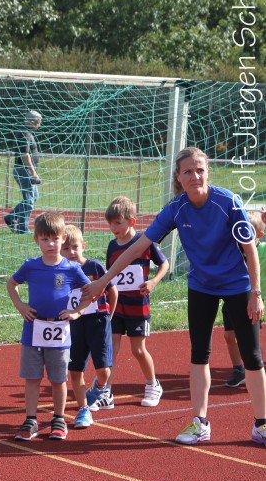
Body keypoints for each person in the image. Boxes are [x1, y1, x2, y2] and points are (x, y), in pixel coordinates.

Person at [85, 147, 266, 447]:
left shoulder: (228, 202)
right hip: (202, 287)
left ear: (207, 172)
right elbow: (137, 246)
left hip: (238, 285)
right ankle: (200, 422)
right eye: (188, 172)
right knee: (199, 354)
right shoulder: (176, 208)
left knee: (253, 357)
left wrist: (256, 293)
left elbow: (250, 250)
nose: (195, 176)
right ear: (178, 177)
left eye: (200, 170)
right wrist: (104, 281)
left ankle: (261, 424)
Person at [7, 210, 90, 440]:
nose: (50, 244)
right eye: (45, 239)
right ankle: (30, 420)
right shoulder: (30, 266)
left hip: (59, 331)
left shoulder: (72, 268)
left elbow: (90, 292)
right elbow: (11, 284)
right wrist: (21, 306)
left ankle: (58, 418)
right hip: (33, 329)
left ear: (63, 238)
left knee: (58, 378)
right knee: (32, 377)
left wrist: (77, 312)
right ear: (37, 240)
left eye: (55, 238)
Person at [88, 196, 168, 410]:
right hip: (117, 305)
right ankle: (106, 392)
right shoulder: (112, 246)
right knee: (111, 348)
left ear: (131, 221)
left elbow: (164, 264)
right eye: (110, 223)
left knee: (138, 350)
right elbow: (109, 275)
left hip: (138, 306)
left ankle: (153, 384)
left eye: (118, 223)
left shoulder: (145, 241)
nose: (113, 228)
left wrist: (153, 281)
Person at [60, 224, 118, 428]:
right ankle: (83, 409)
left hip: (98, 322)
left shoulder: (94, 267)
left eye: (75, 247)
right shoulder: (60, 272)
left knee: (104, 371)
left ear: (83, 246)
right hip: (74, 325)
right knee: (75, 370)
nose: (71, 252)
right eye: (66, 249)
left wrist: (108, 316)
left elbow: (113, 291)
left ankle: (98, 386)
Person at [223, 210, 266, 387]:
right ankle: (238, 369)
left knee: (250, 339)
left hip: (255, 300)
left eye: (249, 231)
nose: (243, 235)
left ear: (259, 235)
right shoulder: (233, 249)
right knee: (229, 335)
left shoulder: (263, 250)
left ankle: (257, 367)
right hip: (232, 296)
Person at [4, 110, 42, 234]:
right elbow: (25, 154)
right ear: (32, 121)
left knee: (33, 197)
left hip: (26, 170)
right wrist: (33, 173)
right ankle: (22, 228)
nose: (39, 125)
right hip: (24, 170)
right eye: (38, 122)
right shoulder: (24, 133)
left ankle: (11, 217)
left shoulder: (27, 133)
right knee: (29, 199)